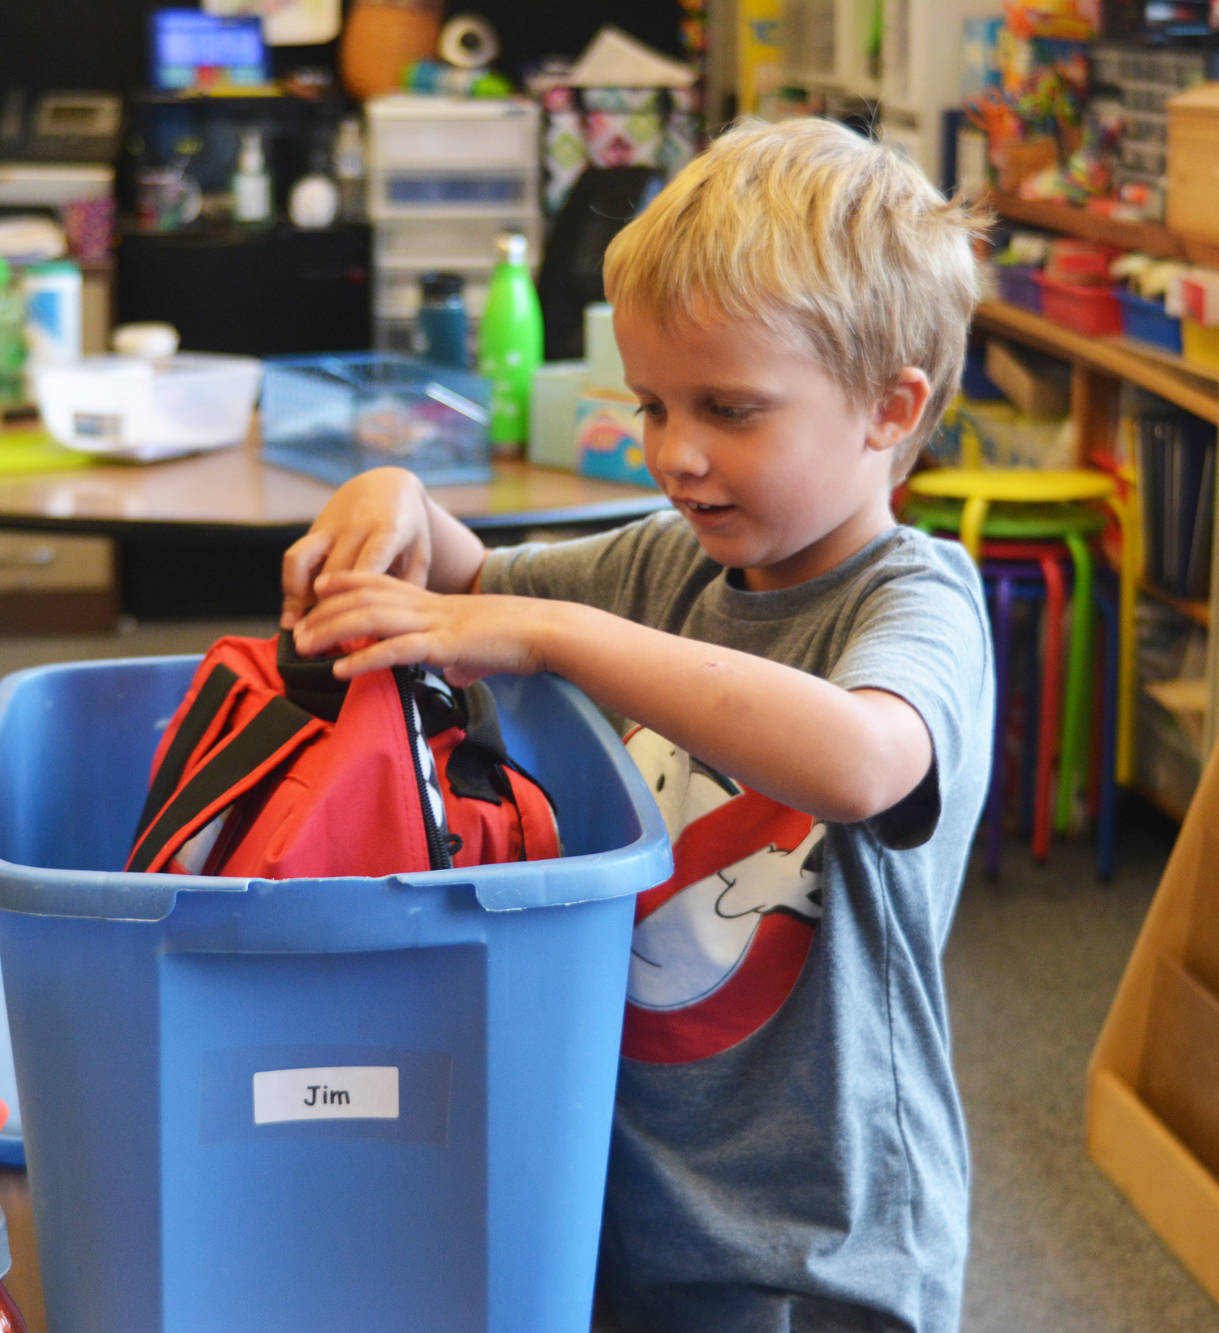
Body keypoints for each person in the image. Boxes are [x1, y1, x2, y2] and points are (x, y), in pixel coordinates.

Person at [282, 116, 993, 1332]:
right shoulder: (675, 567)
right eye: (651, 405)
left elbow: (864, 759)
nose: (673, 454)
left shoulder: (915, 599)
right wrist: (399, 498)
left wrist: (559, 637)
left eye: (727, 408)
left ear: (889, 407)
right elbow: (467, 589)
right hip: (631, 1197)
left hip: (815, 1251)